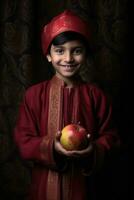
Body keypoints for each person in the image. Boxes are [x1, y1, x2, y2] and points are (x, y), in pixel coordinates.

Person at [14, 10, 120, 200]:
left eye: (77, 51)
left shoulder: (96, 96)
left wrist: (93, 150)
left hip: (85, 189)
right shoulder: (34, 95)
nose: (68, 59)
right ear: (48, 55)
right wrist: (51, 147)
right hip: (43, 190)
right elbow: (23, 140)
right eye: (60, 51)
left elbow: (111, 137)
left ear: (86, 54)